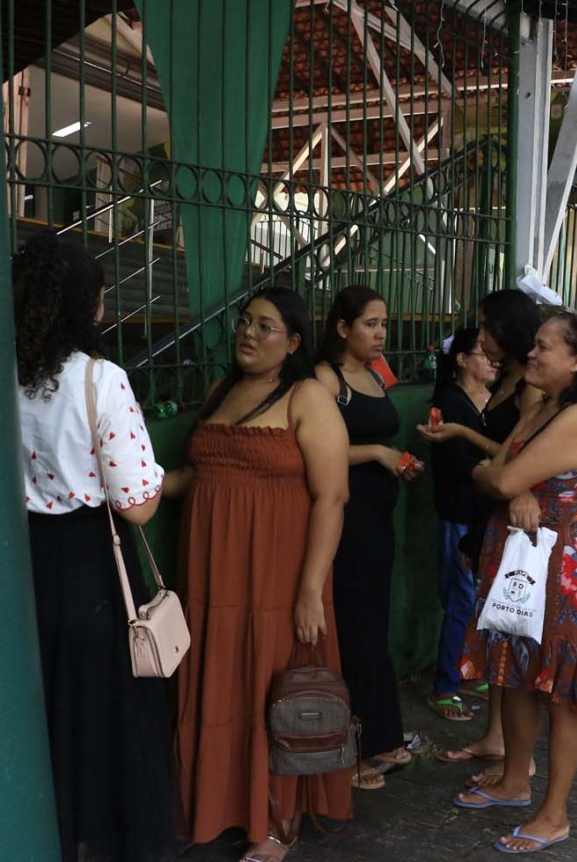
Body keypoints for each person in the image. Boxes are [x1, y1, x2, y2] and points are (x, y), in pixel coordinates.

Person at [167, 287, 351, 860]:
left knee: (272, 689)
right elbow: (200, 474)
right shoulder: (221, 390)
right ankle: (217, 805)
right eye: (245, 321)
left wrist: (309, 591)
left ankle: (276, 821)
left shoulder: (307, 396)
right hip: (210, 574)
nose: (248, 333)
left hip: (276, 575)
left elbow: (332, 497)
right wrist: (140, 491)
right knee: (217, 684)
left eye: (266, 326)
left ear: (293, 341)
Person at [12, 233, 178, 862]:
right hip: (93, 567)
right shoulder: (100, 380)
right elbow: (136, 505)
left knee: (47, 710)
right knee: (107, 717)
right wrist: (163, 477)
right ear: (85, 303)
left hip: (21, 563)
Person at [454, 312, 577, 854]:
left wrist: (509, 486)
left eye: (544, 347)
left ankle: (555, 813)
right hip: (528, 560)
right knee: (519, 669)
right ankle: (515, 780)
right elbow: (500, 470)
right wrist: (510, 485)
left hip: (563, 568)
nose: (532, 353)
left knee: (564, 690)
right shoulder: (545, 406)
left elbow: (495, 475)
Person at [428, 289, 542, 780]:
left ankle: (520, 758)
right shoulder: (507, 379)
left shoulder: (530, 386)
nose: (482, 338)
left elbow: (521, 456)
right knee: (494, 629)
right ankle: (497, 737)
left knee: (512, 635)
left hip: (513, 515)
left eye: (488, 329)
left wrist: (463, 435)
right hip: (487, 512)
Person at [315, 285, 421, 788]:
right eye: (370, 324)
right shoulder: (326, 379)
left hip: (378, 521)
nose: (381, 333)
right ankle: (352, 750)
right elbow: (313, 448)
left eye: (383, 324)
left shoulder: (375, 374)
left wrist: (396, 458)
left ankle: (383, 736)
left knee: (372, 625)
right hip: (345, 519)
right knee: (353, 626)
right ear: (342, 328)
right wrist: (379, 454)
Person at [419, 327, 496, 721]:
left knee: (481, 597)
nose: (491, 359)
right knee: (461, 597)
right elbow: (452, 461)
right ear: (462, 359)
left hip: (489, 511)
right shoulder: (448, 400)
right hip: (460, 509)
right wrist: (491, 469)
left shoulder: (500, 398)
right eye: (482, 352)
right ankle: (445, 684)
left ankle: (470, 669)